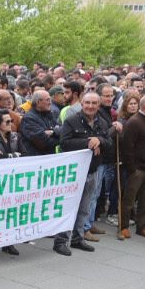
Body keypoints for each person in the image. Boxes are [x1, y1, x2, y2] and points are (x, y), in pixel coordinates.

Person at [54, 92, 112, 256]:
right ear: (82, 103)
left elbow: (109, 143)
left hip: (92, 171)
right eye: (87, 102)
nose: (90, 106)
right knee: (68, 208)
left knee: (85, 208)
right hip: (74, 173)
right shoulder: (71, 121)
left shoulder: (102, 122)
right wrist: (88, 142)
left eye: (94, 103)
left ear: (98, 105)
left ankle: (77, 238)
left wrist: (99, 140)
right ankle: (60, 241)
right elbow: (64, 143)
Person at [117, 94, 145, 240]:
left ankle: (142, 227)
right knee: (129, 200)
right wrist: (132, 169)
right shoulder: (134, 122)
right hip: (137, 169)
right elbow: (127, 146)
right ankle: (123, 227)